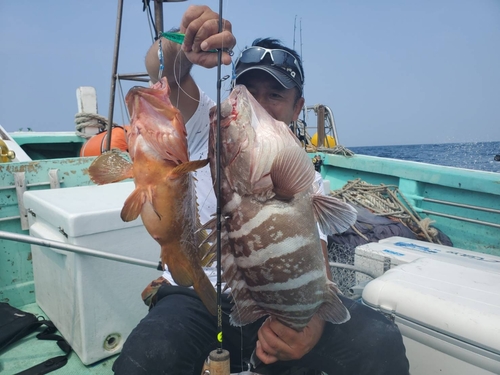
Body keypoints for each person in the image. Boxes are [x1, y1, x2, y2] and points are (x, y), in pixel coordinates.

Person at [113, 5, 410, 375]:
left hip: (271, 302)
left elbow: (313, 257)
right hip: (195, 294)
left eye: (274, 95)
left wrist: (311, 324)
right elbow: (163, 69)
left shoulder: (303, 177)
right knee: (143, 363)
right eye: (248, 91)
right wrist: (184, 44)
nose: (257, 104)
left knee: (378, 340)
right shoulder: (209, 122)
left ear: (297, 107)